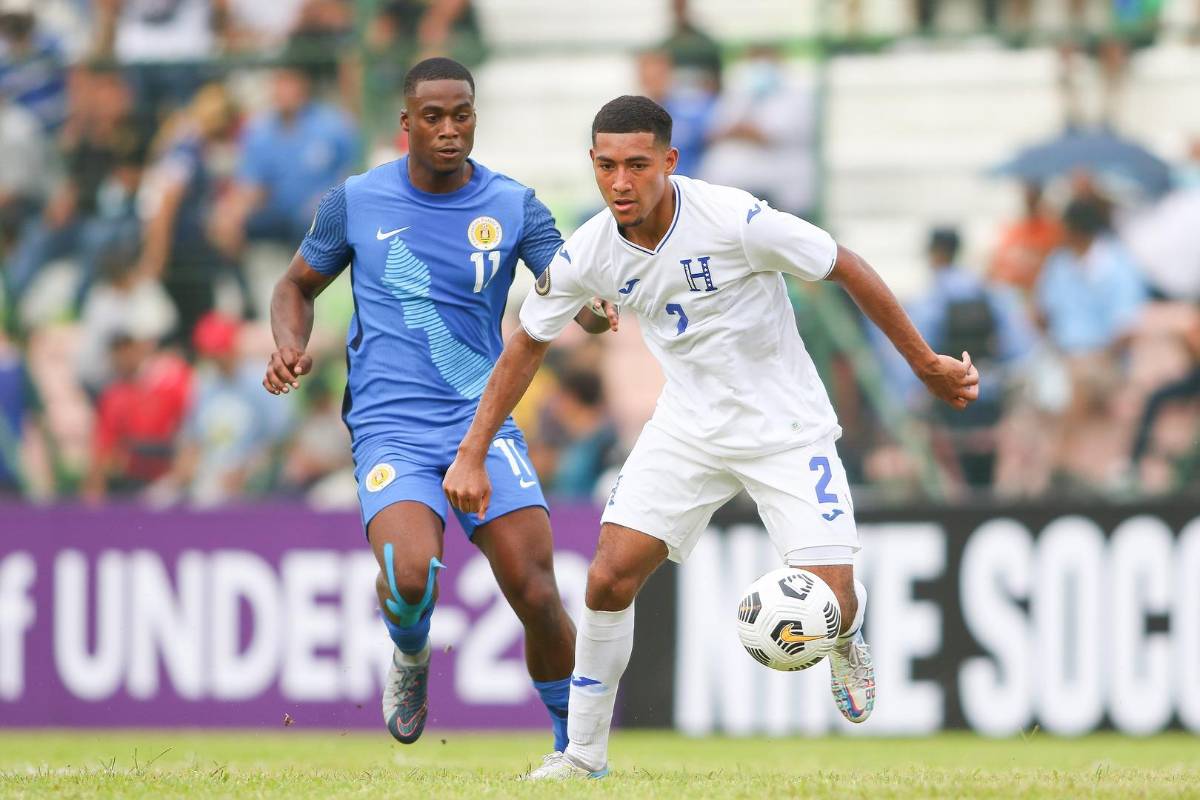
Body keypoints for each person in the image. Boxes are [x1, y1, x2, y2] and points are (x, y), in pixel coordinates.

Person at [442, 96, 979, 780]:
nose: (621, 182)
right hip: (689, 428)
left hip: (788, 431)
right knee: (607, 578)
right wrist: (472, 449)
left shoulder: (735, 220)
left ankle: (846, 632)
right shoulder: (590, 250)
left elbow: (844, 264)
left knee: (832, 598)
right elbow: (526, 344)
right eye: (607, 166)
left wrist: (924, 361)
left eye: (637, 165)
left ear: (669, 161)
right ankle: (581, 756)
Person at [262, 58, 617, 749]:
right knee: (409, 578)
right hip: (389, 427)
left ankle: (575, 753)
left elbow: (566, 283)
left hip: (479, 424)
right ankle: (412, 653)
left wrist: (595, 310)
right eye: (434, 117)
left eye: (463, 116)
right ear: (406, 124)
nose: (450, 130)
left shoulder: (514, 205)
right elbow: (293, 287)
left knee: (539, 592)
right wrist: (287, 344)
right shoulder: (356, 201)